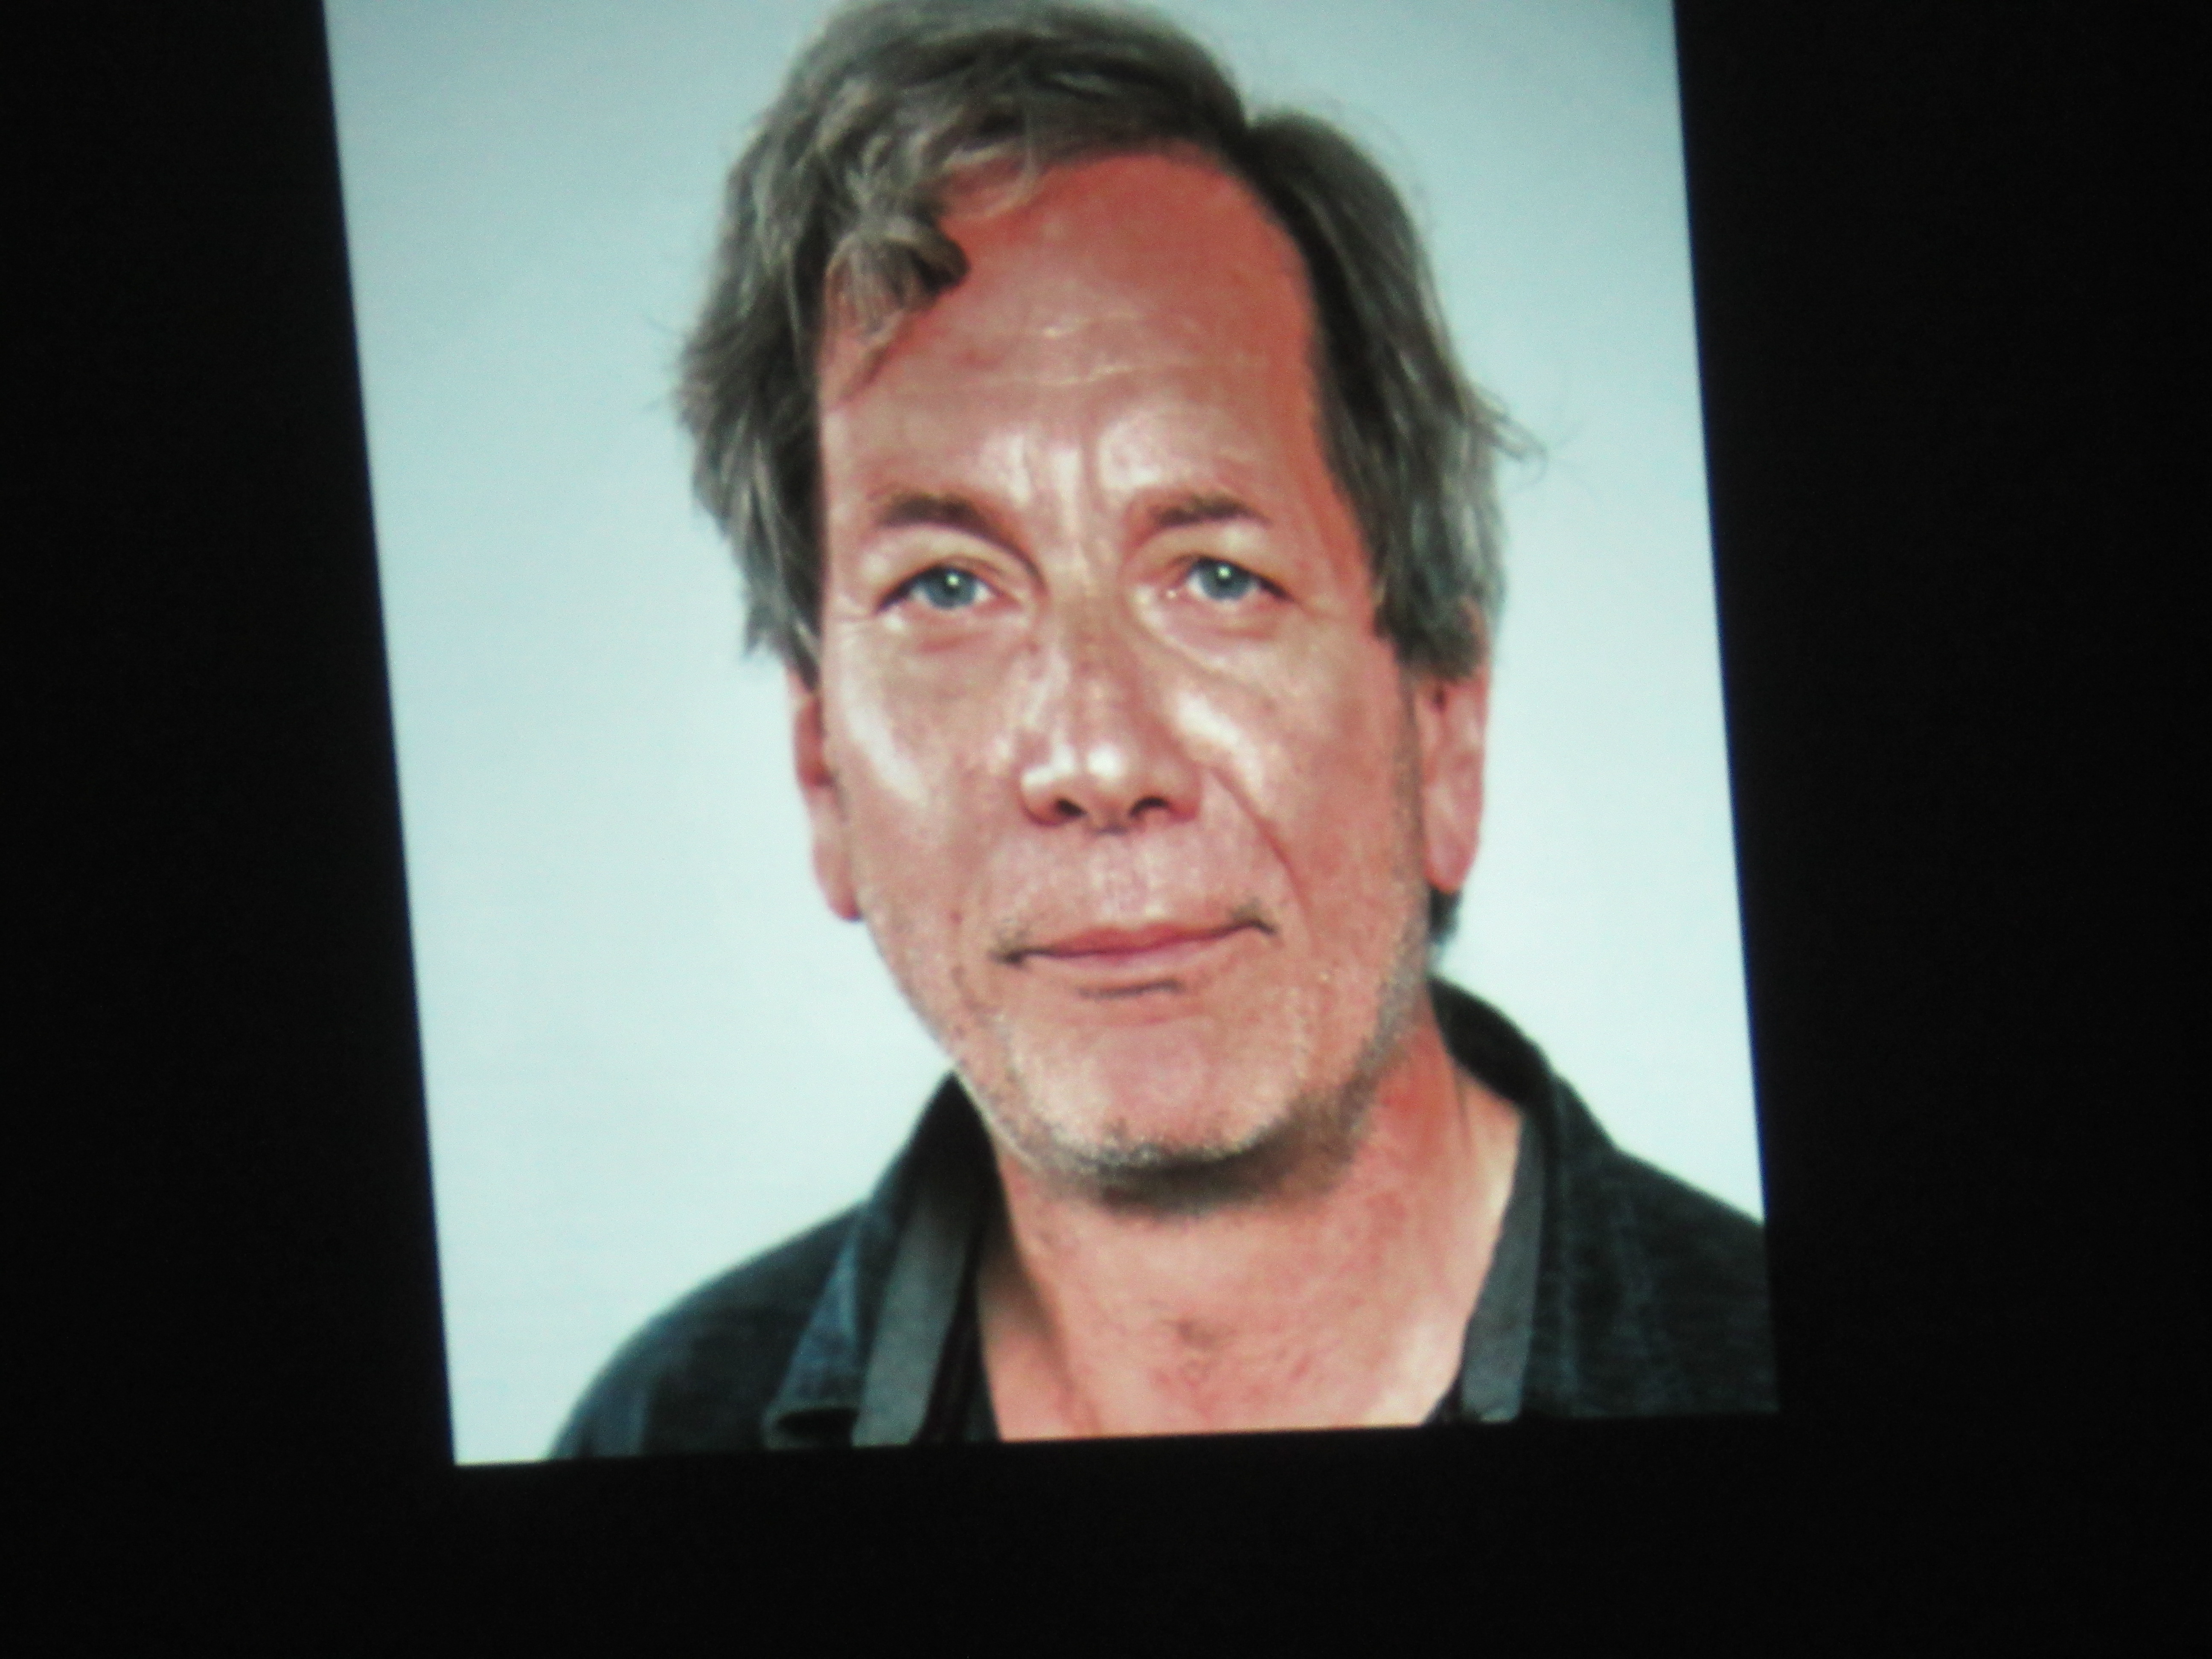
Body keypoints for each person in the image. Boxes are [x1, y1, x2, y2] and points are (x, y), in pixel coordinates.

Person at [555, 0, 1774, 1454]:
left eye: (1217, 578)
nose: (1097, 758)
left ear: (1442, 726)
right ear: (825, 777)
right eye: (948, 587)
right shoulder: (656, 1432)